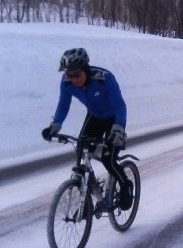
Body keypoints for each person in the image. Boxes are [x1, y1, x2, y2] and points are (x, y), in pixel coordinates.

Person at [42, 48, 132, 213]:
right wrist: (55, 126)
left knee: (108, 158)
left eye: (76, 74)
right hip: (95, 117)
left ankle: (126, 185)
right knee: (81, 152)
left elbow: (120, 105)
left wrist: (118, 130)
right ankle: (87, 199)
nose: (73, 79)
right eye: (69, 74)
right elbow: (63, 105)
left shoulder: (104, 78)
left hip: (114, 118)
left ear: (85, 69)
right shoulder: (66, 82)